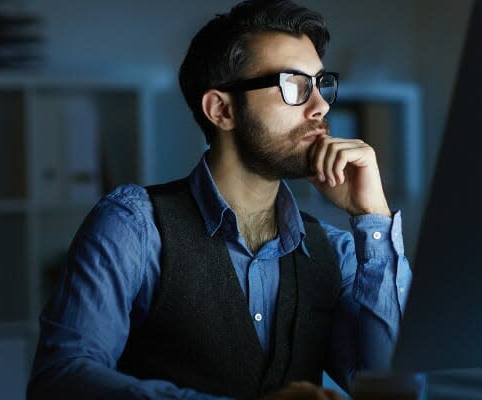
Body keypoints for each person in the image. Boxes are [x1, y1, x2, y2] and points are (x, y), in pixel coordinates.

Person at [27, 1, 411, 399]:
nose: (321, 106)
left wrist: (373, 218)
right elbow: (60, 379)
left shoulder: (338, 252)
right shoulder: (134, 226)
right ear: (221, 109)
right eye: (294, 85)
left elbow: (395, 388)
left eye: (320, 84)